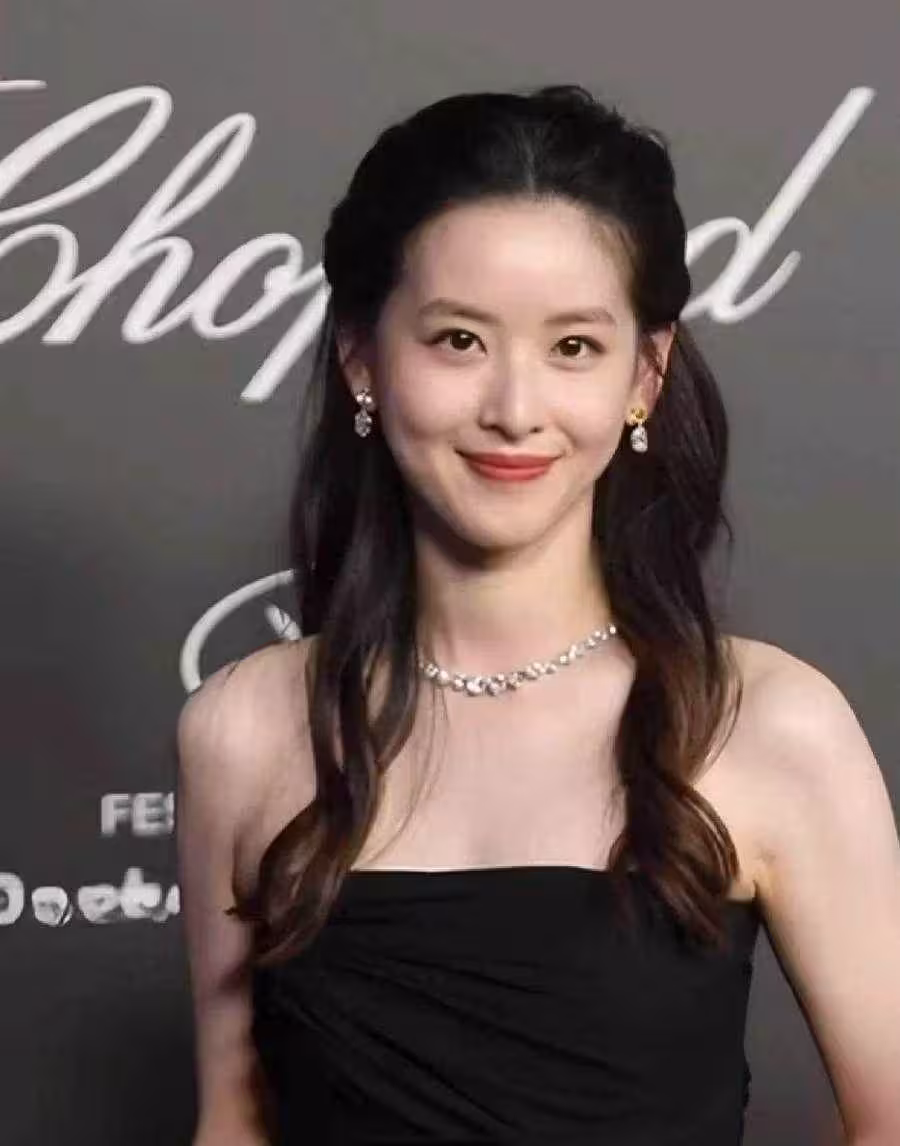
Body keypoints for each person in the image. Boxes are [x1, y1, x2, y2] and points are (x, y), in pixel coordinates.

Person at [175, 85, 900, 1146]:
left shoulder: (766, 723)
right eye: (458, 340)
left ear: (644, 374)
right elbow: (232, 1129)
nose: (515, 409)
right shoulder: (242, 731)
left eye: (573, 348)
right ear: (362, 358)